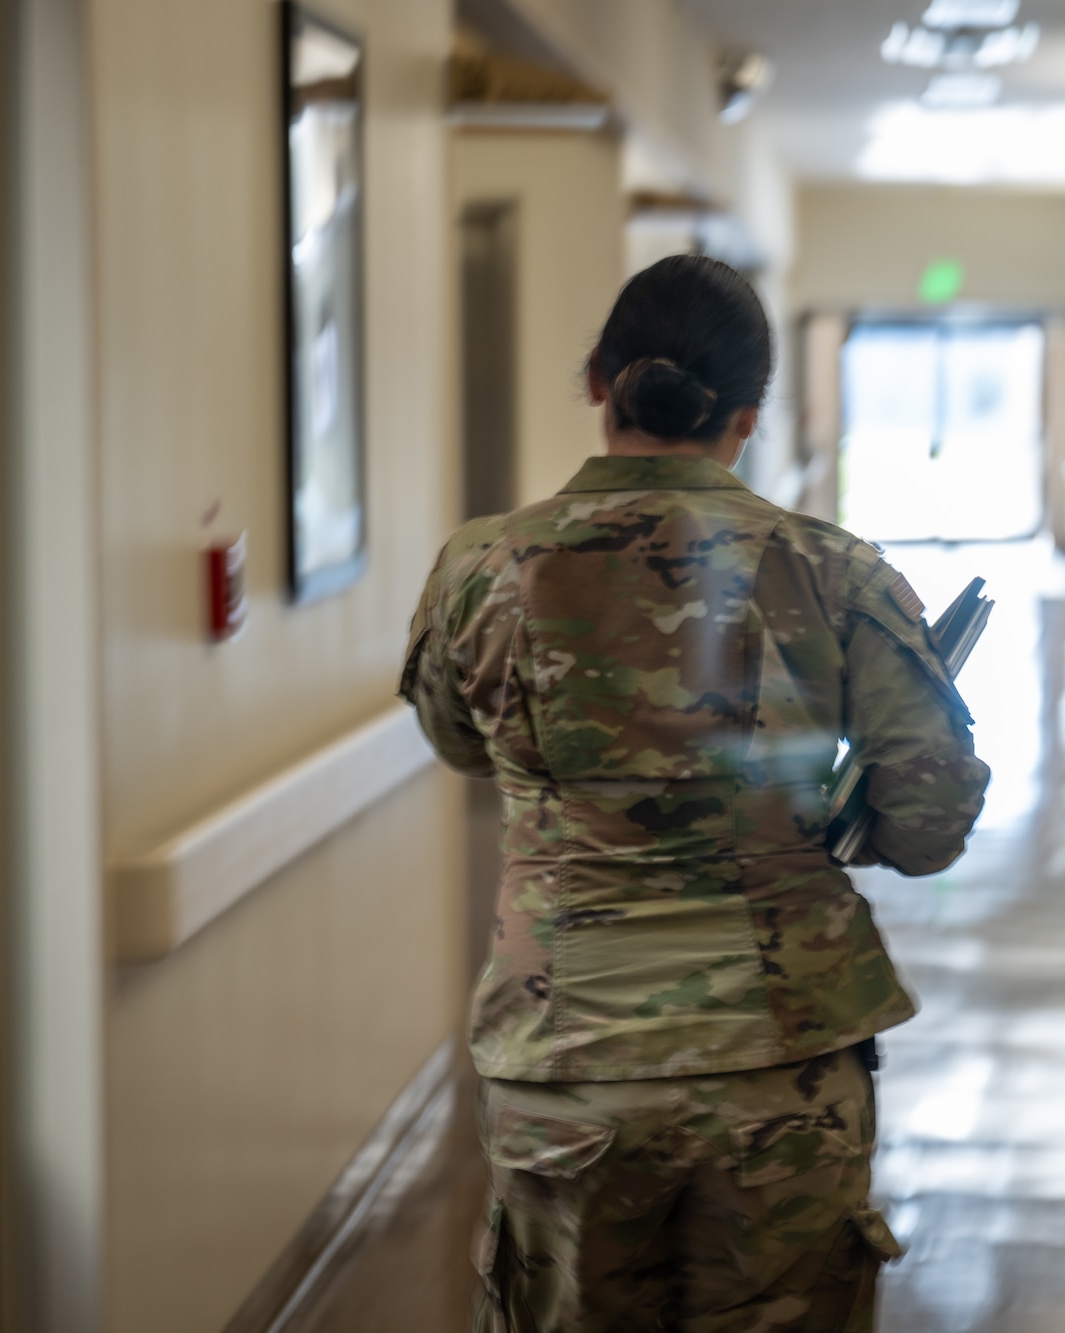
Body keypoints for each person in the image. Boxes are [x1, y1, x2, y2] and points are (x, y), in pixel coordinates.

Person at [399, 254, 990, 1332]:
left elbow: (460, 743)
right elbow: (927, 824)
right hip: (778, 1068)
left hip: (565, 1056)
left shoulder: (479, 566)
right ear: (749, 417)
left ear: (598, 383)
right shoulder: (834, 569)